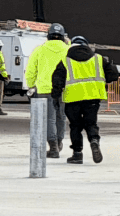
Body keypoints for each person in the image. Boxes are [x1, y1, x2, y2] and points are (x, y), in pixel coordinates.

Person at [61, 35, 111, 164]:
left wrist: (56, 96)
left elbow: (57, 79)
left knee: (75, 126)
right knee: (91, 123)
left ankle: (77, 154)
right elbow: (113, 75)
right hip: (93, 97)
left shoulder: (65, 60)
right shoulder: (98, 58)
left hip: (72, 98)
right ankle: (94, 140)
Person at [22, 24, 71, 157]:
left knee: (49, 118)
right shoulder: (68, 50)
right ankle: (59, 143)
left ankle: (53, 147)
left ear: (48, 35)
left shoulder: (40, 49)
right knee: (61, 117)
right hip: (64, 89)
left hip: (45, 89)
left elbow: (31, 70)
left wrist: (31, 85)